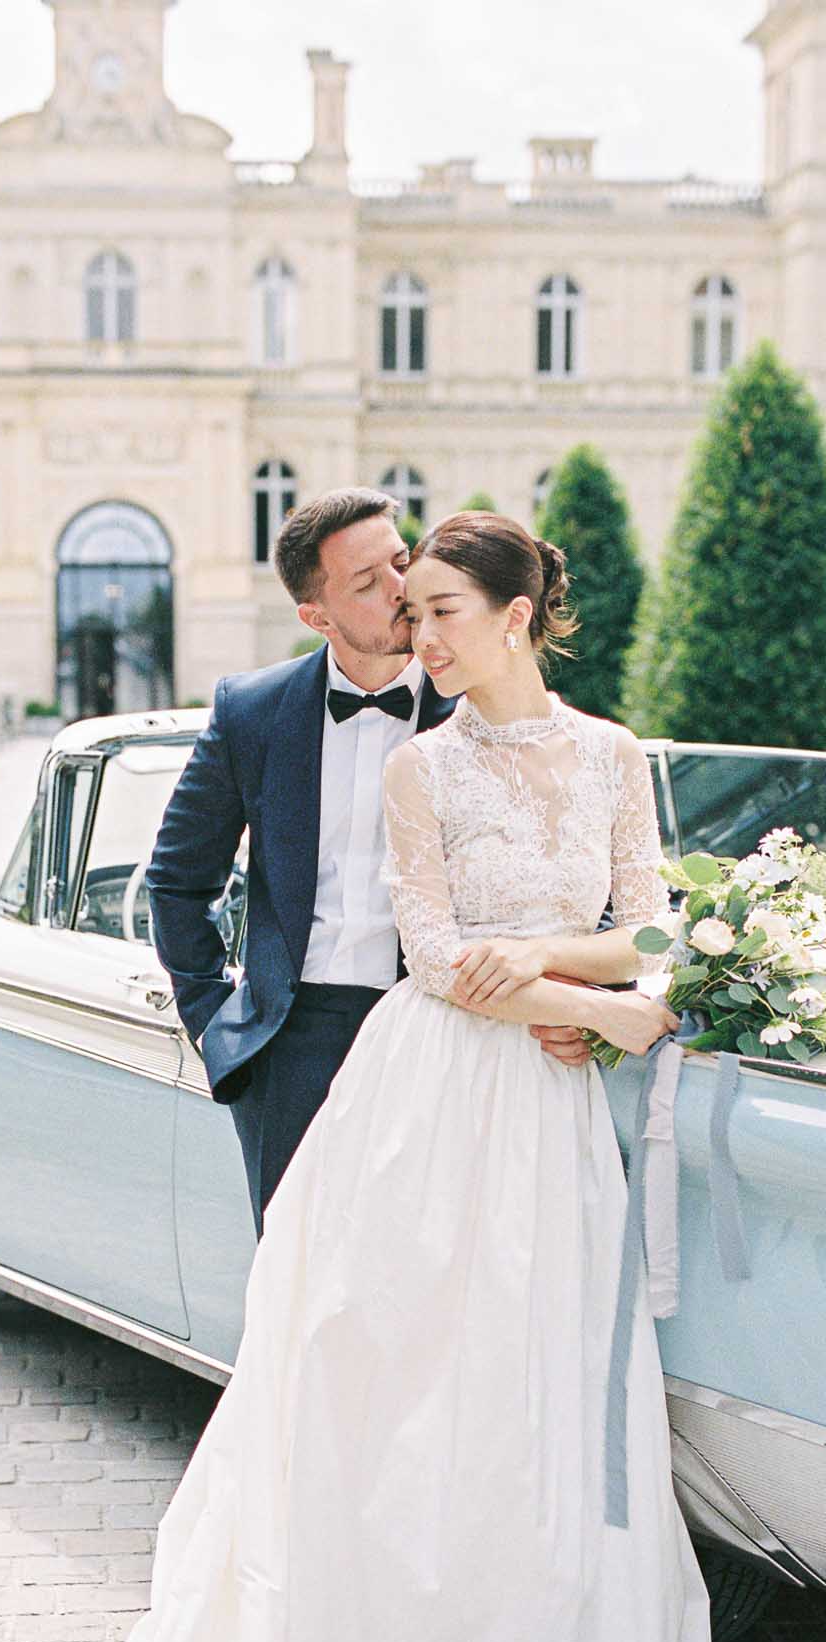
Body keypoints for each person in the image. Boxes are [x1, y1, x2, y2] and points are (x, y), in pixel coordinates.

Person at [0, 512, 712, 1642]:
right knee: (353, 1354)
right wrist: (226, 1031)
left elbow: (647, 921)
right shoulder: (390, 757)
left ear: (516, 613)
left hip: (542, 1094)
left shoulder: (606, 752)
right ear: (320, 609)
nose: (413, 630)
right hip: (388, 1079)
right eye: (392, 604)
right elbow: (407, 952)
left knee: (531, 1365)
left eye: (432, 607)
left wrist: (581, 994)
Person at [142, 487, 590, 1233]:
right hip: (292, 1045)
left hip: (451, 1030)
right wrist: (217, 1019)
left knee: (432, 1269)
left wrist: (570, 999)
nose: (400, 592)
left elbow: (568, 876)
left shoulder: (487, 704)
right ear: (315, 617)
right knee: (302, 1279)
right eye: (366, 583)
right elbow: (177, 879)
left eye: (400, 562)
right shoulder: (249, 712)